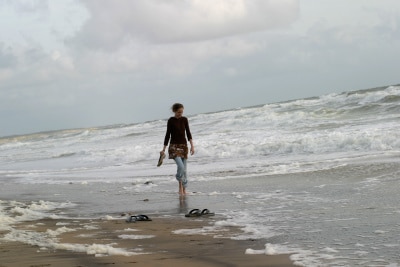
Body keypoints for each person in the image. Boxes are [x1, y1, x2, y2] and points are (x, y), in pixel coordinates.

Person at [161, 103, 194, 195]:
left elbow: (188, 133)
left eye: (182, 112)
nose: (181, 113)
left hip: (183, 147)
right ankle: (178, 178)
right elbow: (167, 135)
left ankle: (183, 190)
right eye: (179, 112)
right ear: (174, 111)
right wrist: (164, 148)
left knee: (185, 170)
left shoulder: (184, 119)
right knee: (181, 167)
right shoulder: (171, 121)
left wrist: (192, 146)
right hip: (174, 147)